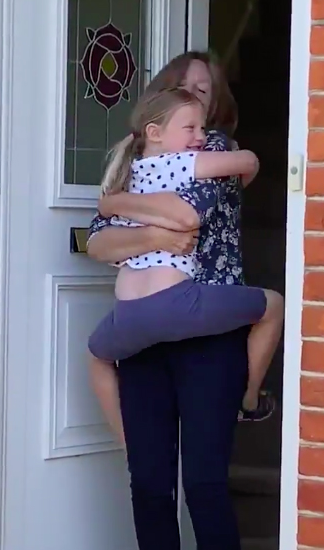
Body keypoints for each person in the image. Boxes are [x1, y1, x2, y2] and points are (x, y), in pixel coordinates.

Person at [87, 51, 283, 550]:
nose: (195, 105)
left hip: (207, 331)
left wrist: (125, 213)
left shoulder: (208, 160)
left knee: (202, 482)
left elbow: (189, 220)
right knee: (148, 480)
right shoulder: (139, 164)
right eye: (182, 92)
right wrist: (135, 223)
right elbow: (100, 246)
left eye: (203, 93)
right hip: (148, 338)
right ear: (159, 107)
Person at [88, 86, 278, 446]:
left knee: (97, 356)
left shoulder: (127, 175)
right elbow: (247, 162)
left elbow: (101, 233)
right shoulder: (181, 162)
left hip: (126, 312)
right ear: (155, 133)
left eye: (204, 129)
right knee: (274, 306)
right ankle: (249, 399)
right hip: (176, 302)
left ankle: (128, 440)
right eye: (191, 128)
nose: (202, 138)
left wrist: (112, 205)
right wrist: (235, 160)